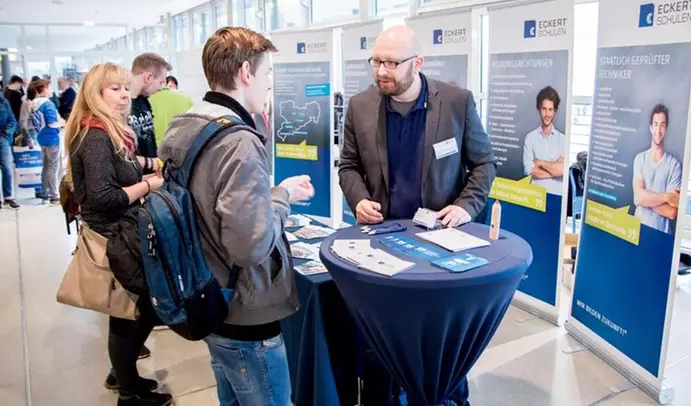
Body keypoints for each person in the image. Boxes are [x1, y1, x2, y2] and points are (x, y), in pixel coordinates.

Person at [339, 25, 494, 406]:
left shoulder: (457, 102)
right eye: (376, 61)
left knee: (437, 340)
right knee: (380, 341)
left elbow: (484, 163)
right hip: (381, 239)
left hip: (438, 243)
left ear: (418, 63)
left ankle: (445, 396)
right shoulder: (360, 106)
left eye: (391, 62)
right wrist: (358, 198)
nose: (381, 71)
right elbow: (348, 166)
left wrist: (465, 206)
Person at [159, 27, 315, 406]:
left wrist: (272, 193)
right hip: (246, 310)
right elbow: (250, 246)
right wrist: (281, 200)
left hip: (206, 295)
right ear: (245, 73)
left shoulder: (187, 124)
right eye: (267, 75)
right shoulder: (238, 141)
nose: (268, 85)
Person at [66, 63, 171, 406]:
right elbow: (104, 196)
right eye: (115, 89)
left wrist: (149, 162)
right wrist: (149, 184)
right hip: (111, 238)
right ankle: (128, 394)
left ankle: (122, 374)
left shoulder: (107, 131)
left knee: (139, 310)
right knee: (128, 314)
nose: (125, 95)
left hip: (123, 232)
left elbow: (120, 165)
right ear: (95, 94)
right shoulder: (95, 136)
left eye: (125, 88)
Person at [633, 104, 682, 235]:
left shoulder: (674, 165)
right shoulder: (640, 159)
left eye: (662, 125)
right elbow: (639, 197)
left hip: (662, 235)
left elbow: (671, 212)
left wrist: (645, 198)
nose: (658, 130)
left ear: (666, 129)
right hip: (637, 232)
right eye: (655, 124)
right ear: (650, 127)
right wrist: (666, 197)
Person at [128, 53, 171, 170]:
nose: (162, 88)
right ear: (148, 77)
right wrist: (151, 163)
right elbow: (119, 157)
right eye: (161, 82)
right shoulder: (120, 106)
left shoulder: (144, 101)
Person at [523, 86, 566, 196]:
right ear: (539, 109)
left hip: (557, 196)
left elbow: (562, 170)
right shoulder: (530, 138)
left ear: (555, 111)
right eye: (544, 109)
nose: (547, 114)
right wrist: (554, 169)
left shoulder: (563, 140)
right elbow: (529, 170)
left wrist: (540, 162)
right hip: (534, 196)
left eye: (550, 109)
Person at [30, 79, 64, 204]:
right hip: (52, 138)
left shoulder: (34, 103)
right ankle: (54, 195)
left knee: (46, 165)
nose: (52, 90)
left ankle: (44, 191)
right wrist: (61, 123)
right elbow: (51, 123)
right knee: (53, 166)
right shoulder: (48, 104)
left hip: (41, 137)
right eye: (50, 88)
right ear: (44, 89)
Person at [149, 74, 194, 147]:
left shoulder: (149, 100)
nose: (172, 88)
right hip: (181, 145)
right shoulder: (187, 99)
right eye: (170, 86)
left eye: (174, 86)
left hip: (158, 147)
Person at [0, 93, 19, 209]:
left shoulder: (3, 102)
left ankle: (8, 197)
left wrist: (5, 134)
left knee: (7, 168)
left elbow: (13, 121)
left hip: (3, 140)